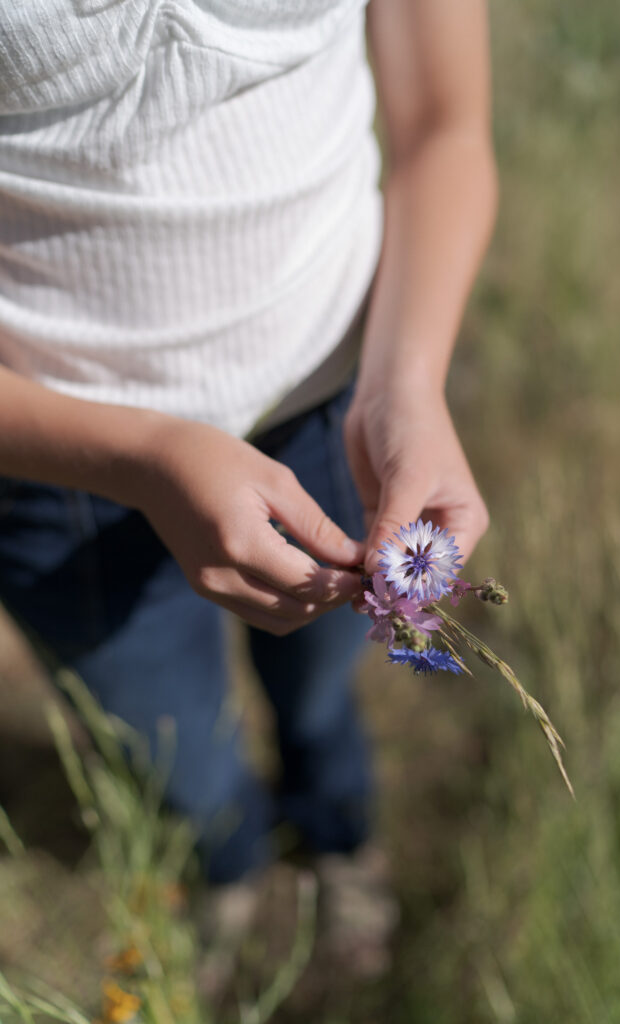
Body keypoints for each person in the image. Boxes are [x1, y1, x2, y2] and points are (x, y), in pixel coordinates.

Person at [0, 0, 496, 978]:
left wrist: (405, 385)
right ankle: (223, 864)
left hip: (330, 411)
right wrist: (140, 454)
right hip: (54, 473)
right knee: (172, 746)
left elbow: (445, 119)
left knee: (320, 692)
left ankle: (336, 833)